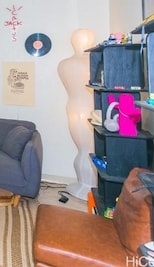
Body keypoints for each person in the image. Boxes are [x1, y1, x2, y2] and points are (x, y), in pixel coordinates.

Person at [57, 28, 96, 200]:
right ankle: (86, 184)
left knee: (85, 149)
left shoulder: (65, 64)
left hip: (75, 107)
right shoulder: (88, 62)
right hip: (86, 107)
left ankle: (87, 184)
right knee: (86, 149)